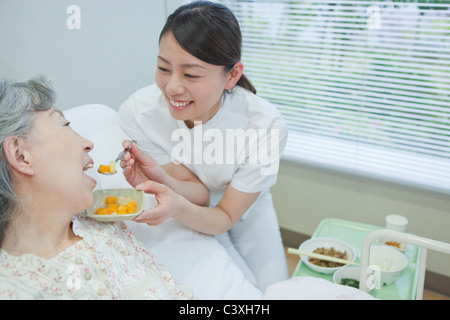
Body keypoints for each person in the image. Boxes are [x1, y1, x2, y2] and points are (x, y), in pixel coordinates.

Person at [118, 1, 289, 290]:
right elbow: (197, 195)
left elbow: (224, 215)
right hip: (191, 205)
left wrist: (177, 202)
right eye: (163, 68)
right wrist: (163, 180)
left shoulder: (266, 126)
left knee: (277, 289)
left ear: (232, 75)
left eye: (191, 74)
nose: (172, 87)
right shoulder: (138, 112)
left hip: (246, 209)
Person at [0, 76, 193, 300]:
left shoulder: (102, 224)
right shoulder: (15, 289)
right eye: (65, 125)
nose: (88, 143)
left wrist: (162, 182)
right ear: (21, 156)